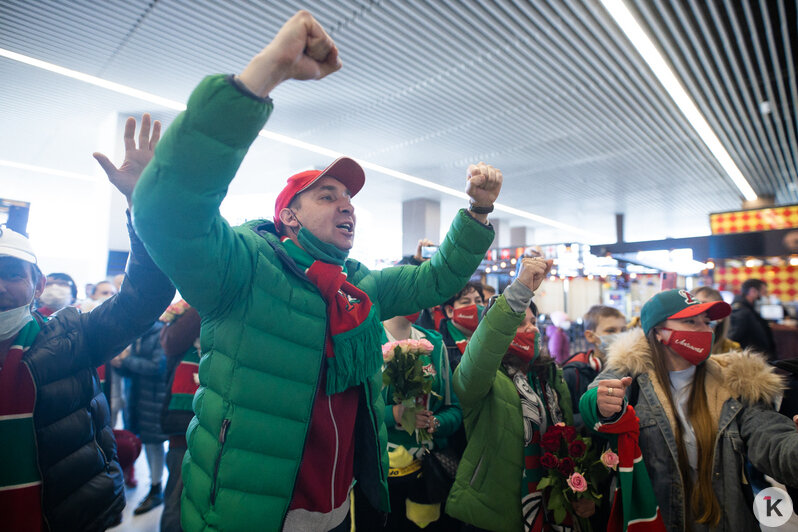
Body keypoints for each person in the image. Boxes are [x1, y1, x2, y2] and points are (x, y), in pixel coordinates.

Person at [130, 10, 502, 532]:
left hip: (339, 507)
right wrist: (267, 72)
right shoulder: (246, 266)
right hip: (247, 510)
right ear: (288, 216)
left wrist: (478, 214)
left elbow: (436, 281)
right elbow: (172, 210)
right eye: (327, 196)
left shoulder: (357, 288)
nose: (346, 205)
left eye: (349, 198)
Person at [0, 115, 173, 531]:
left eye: (10, 272)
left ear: (37, 284)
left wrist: (143, 207)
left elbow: (145, 295)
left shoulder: (71, 338)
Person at [580, 289, 798, 531]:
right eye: (690, 321)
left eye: (707, 321)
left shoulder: (735, 382)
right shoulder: (630, 377)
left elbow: (772, 439)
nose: (706, 330)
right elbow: (593, 402)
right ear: (659, 332)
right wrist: (602, 404)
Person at [446, 258, 593, 531]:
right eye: (521, 323)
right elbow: (485, 346)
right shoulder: (482, 376)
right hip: (497, 510)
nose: (533, 329)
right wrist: (519, 291)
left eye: (534, 321)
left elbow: (568, 438)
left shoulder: (550, 375)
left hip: (553, 506)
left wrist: (581, 490)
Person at [355, 313, 462, 531]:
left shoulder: (433, 344)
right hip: (382, 473)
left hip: (427, 474)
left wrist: (436, 423)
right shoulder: (367, 340)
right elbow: (353, 413)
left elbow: (454, 410)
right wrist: (393, 414)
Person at [112, 320, 169, 515]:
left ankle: (156, 488)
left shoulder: (159, 332)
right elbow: (132, 368)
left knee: (154, 443)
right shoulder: (139, 332)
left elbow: (157, 366)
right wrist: (119, 364)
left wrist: (126, 360)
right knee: (146, 441)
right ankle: (155, 485)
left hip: (153, 399)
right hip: (138, 398)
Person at [159, 300, 202, 532]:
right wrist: (203, 296)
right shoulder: (187, 307)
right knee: (177, 496)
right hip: (183, 421)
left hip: (227, 421)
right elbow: (170, 342)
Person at [562, 305, 626, 419]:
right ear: (590, 336)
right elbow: (566, 418)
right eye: (611, 331)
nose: (620, 335)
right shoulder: (572, 373)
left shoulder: (631, 368)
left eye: (623, 330)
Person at [438, 281, 486, 372]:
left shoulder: (492, 338)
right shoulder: (440, 346)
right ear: (450, 311)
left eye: (478, 301)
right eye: (465, 302)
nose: (474, 306)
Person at [728, 278, 776, 358]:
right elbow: (733, 338)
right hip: (748, 359)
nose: (765, 296)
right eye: (763, 292)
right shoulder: (741, 311)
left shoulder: (748, 309)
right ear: (752, 291)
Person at [691, 286, 740, 354]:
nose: (698, 311)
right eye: (693, 306)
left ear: (720, 315)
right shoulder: (680, 345)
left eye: (704, 305)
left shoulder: (732, 350)